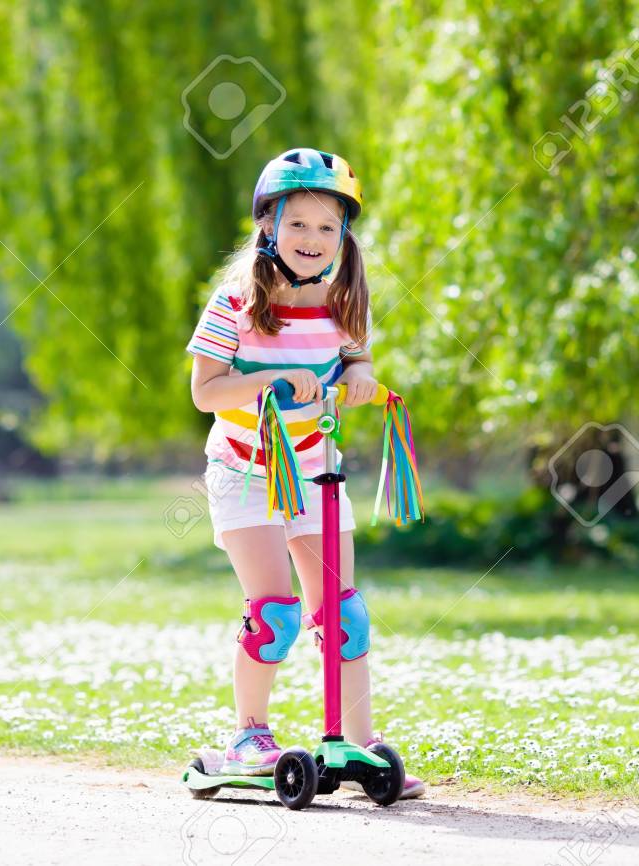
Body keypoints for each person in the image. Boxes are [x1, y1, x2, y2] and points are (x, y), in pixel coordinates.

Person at [186, 148, 425, 799]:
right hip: (246, 471)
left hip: (316, 472)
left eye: (327, 226)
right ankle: (249, 735)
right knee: (276, 613)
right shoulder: (237, 302)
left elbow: (356, 363)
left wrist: (361, 383)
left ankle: (357, 740)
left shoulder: (344, 304)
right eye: (298, 224)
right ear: (268, 225)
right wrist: (268, 378)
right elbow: (205, 392)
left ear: (344, 234)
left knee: (344, 615)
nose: (312, 239)